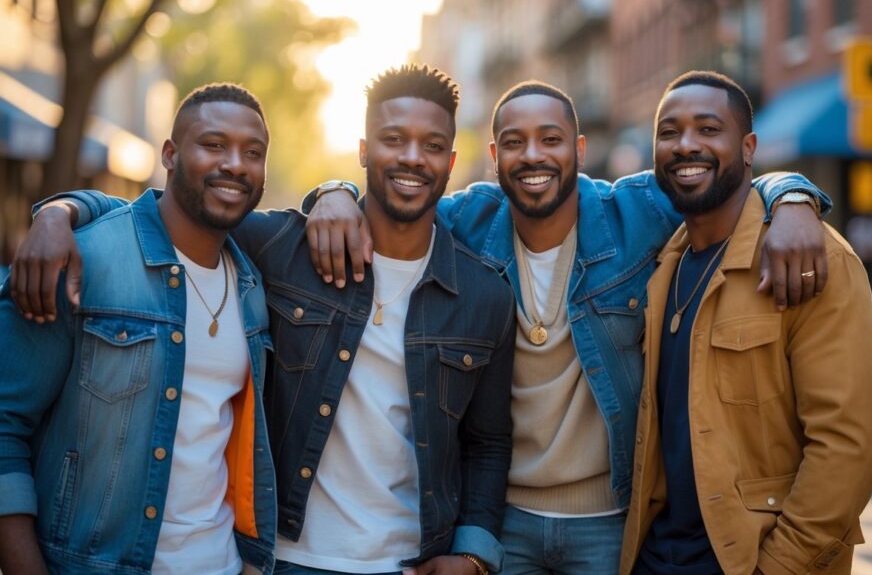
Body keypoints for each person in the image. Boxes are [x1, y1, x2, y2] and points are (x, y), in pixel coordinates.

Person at [296, 81, 831, 574]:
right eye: (514, 142)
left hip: (610, 516)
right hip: (503, 520)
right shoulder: (467, 221)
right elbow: (398, 193)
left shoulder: (635, 212)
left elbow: (723, 184)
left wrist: (793, 198)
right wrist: (334, 191)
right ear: (493, 157)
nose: (532, 156)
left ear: (577, 149)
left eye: (549, 140)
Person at [11, 65, 516, 575]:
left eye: (431, 145)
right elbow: (160, 216)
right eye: (392, 139)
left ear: (451, 161)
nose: (411, 157)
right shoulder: (281, 250)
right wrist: (59, 212)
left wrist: (473, 556)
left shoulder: (484, 295)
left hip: (405, 561)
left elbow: (488, 442)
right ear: (364, 150)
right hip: (281, 558)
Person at [0, 83, 278, 574]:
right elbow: (4, 425)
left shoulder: (253, 286)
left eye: (252, 152)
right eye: (213, 145)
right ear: (170, 154)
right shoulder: (85, 259)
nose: (235, 164)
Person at [620, 71, 872, 575]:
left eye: (707, 129)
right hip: (655, 557)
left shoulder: (811, 257)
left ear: (748, 148)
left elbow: (851, 444)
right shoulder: (661, 265)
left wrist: (779, 565)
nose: (686, 145)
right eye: (669, 132)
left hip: (752, 561)